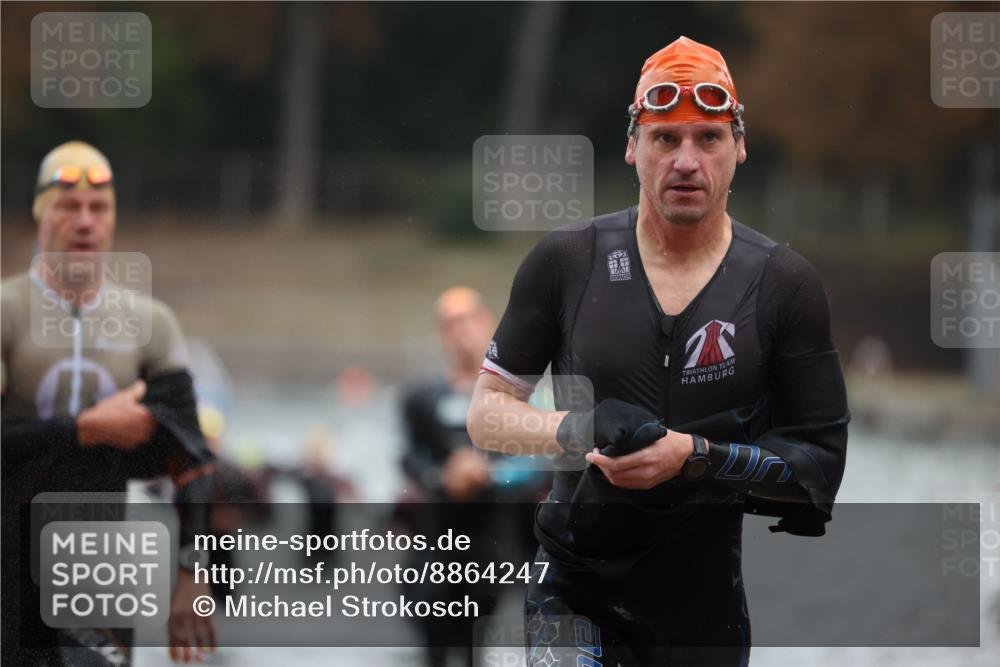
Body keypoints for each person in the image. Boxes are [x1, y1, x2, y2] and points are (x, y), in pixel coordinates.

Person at [466, 37, 850, 666]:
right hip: (573, 583)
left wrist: (694, 458)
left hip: (700, 608)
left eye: (708, 138)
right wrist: (577, 429)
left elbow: (818, 468)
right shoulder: (567, 262)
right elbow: (486, 414)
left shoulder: (784, 285)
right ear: (632, 148)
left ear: (740, 147)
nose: (687, 161)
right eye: (665, 139)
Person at [1, 141, 217, 666]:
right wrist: (86, 429)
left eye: (98, 209)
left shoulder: (150, 324)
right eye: (67, 207)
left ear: (113, 219)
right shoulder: (6, 312)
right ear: (39, 215)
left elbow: (192, 459)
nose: (84, 222)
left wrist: (191, 573)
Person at [400, 286, 545, 667]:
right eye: (451, 324)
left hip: (489, 534)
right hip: (436, 532)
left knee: (473, 637)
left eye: (468, 321)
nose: (461, 332)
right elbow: (408, 456)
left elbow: (538, 462)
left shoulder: (515, 396)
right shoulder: (422, 396)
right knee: (430, 627)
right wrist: (440, 477)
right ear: (441, 334)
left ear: (487, 325)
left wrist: (488, 474)